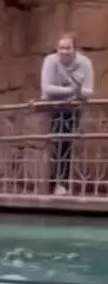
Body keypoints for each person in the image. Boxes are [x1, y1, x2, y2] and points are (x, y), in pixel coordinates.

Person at [41, 32, 94, 195]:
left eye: (68, 48)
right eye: (61, 48)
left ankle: (62, 184)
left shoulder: (84, 63)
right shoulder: (50, 61)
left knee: (66, 144)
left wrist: (74, 93)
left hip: (73, 110)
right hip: (51, 108)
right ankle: (53, 184)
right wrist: (73, 91)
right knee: (54, 144)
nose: (64, 51)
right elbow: (47, 89)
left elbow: (88, 91)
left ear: (74, 49)